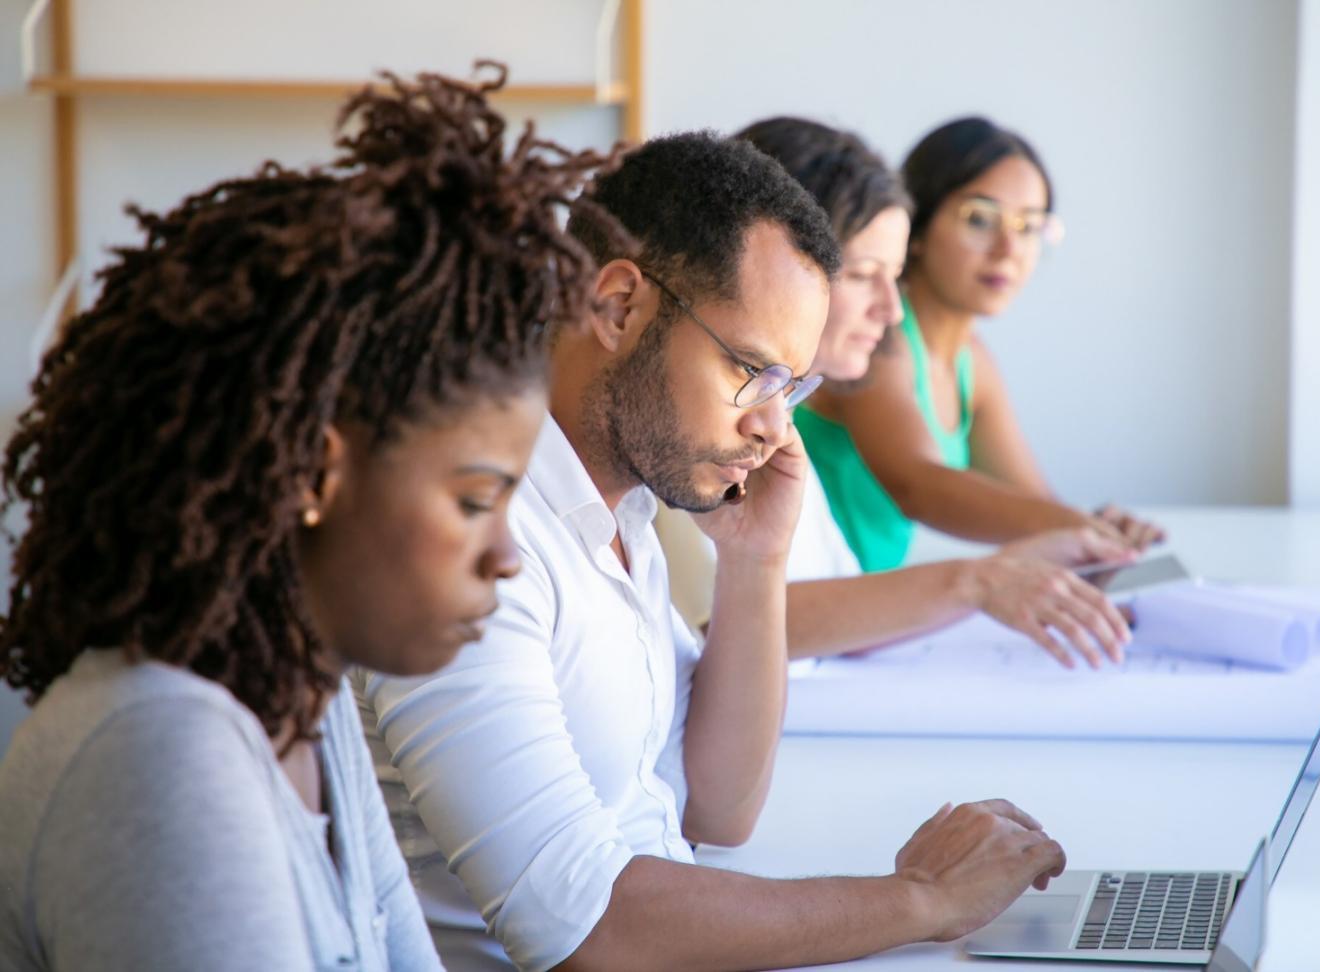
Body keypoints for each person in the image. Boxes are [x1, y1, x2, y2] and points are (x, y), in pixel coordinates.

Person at [355, 131, 1067, 972]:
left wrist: (756, 561)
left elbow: (718, 810)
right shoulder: (469, 542)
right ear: (619, 307)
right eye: (751, 371)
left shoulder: (623, 507)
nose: (772, 428)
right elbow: (584, 928)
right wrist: (921, 899)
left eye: (791, 388)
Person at [0, 67, 616, 971]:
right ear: (315, 473)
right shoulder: (161, 753)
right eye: (476, 501)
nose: (508, 556)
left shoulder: (304, 711)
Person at [797, 116, 1165, 573]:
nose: (1008, 248)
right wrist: (1077, 529)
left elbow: (1034, 504)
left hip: (870, 609)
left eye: (1029, 226)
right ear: (918, 226)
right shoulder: (873, 338)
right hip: (820, 603)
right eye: (980, 219)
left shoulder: (972, 361)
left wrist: (1095, 530)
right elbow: (919, 486)